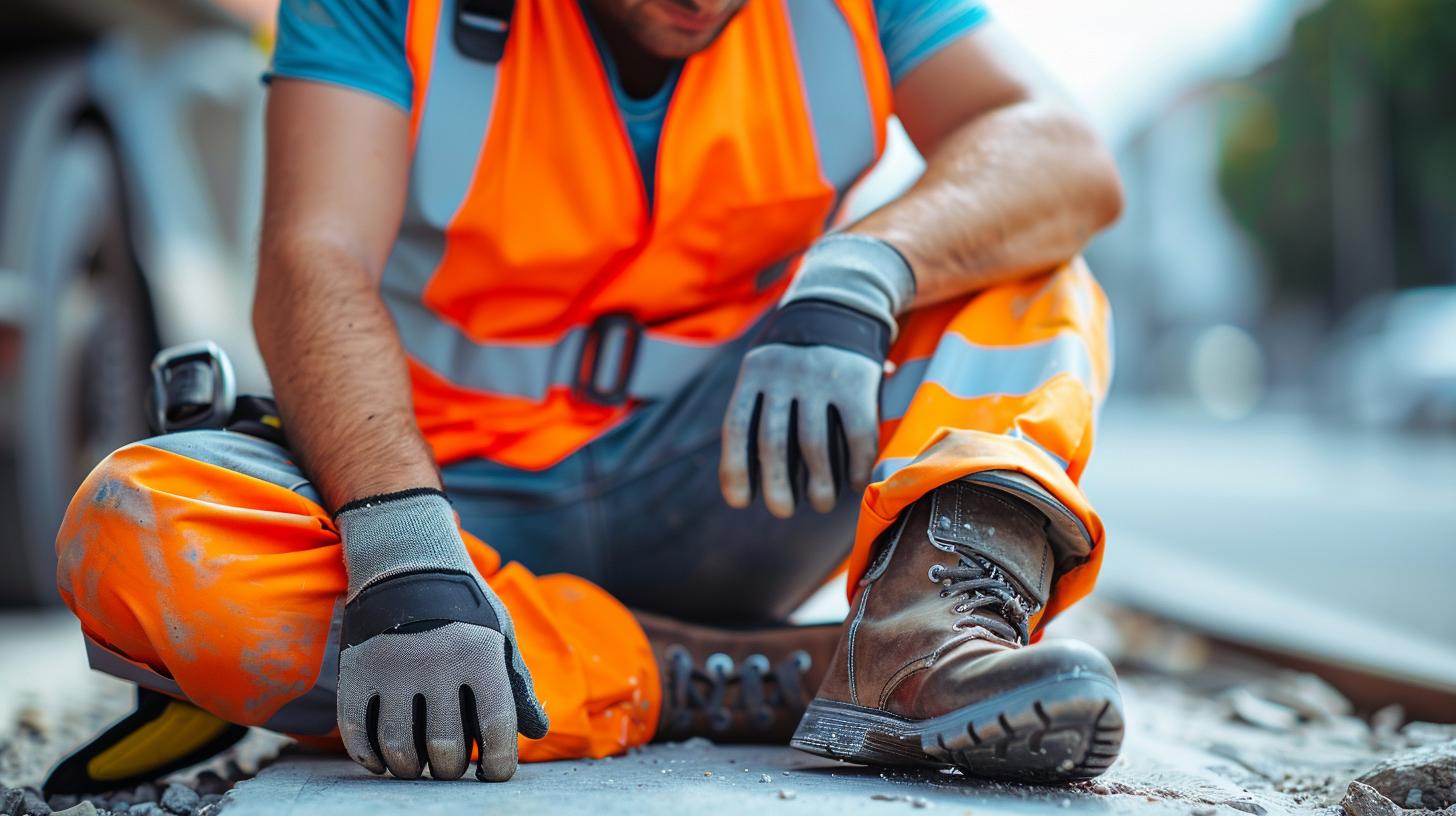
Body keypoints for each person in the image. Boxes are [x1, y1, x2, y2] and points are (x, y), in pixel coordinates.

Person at [47, 0, 1125, 792]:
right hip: (448, 522)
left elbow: (1061, 151)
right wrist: (399, 547)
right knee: (138, 529)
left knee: (1031, 271)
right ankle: (751, 677)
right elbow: (309, 261)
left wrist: (865, 270)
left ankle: (920, 641)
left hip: (734, 486)